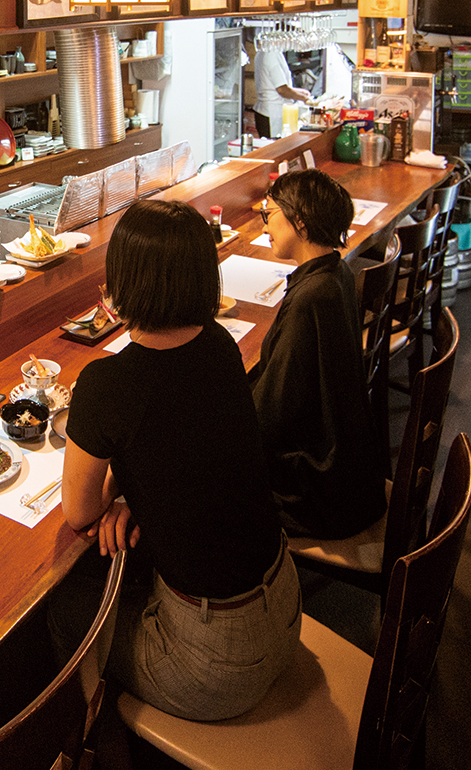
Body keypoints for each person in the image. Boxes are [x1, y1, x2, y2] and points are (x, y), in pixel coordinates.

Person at [53, 199, 300, 722]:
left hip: (215, 663)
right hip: (285, 607)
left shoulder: (107, 384)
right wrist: (140, 491)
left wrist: (122, 486)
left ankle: (97, 756)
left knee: (65, 610)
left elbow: (79, 513)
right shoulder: (220, 344)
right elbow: (191, 450)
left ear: (120, 285)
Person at [250, 169, 387, 539]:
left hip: (323, 496)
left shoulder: (310, 298)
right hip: (352, 474)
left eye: (269, 215)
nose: (265, 226)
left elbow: (270, 416)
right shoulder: (336, 272)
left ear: (300, 222)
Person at [245, 34, 310, 139]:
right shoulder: (271, 54)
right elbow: (281, 89)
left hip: (267, 111)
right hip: (271, 114)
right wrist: (305, 99)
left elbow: (273, 85)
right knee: (274, 146)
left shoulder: (266, 52)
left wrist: (300, 92)